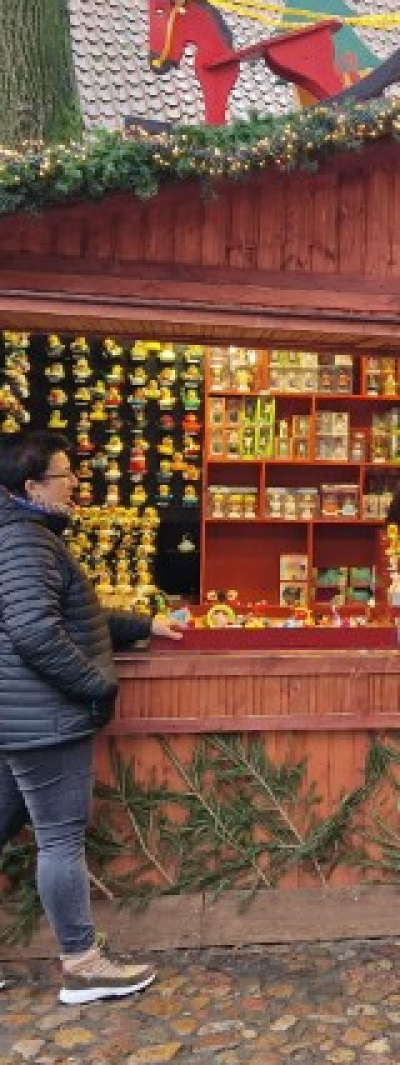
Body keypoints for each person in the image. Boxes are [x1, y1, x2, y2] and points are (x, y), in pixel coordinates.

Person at [0, 430, 182, 1005]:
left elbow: (69, 614)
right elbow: (35, 631)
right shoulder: (28, 541)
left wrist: (141, 625)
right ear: (32, 487)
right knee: (59, 840)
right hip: (42, 716)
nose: (74, 483)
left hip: (17, 713)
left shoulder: (20, 535)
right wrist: (94, 685)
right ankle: (82, 964)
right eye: (63, 475)